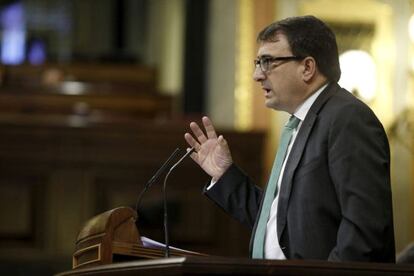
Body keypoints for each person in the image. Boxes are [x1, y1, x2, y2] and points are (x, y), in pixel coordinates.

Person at [184, 15, 395, 262]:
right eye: (257, 62)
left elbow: (364, 229)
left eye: (267, 62)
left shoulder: (347, 118)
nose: (257, 75)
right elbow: (279, 224)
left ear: (307, 67)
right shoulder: (299, 124)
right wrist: (224, 175)